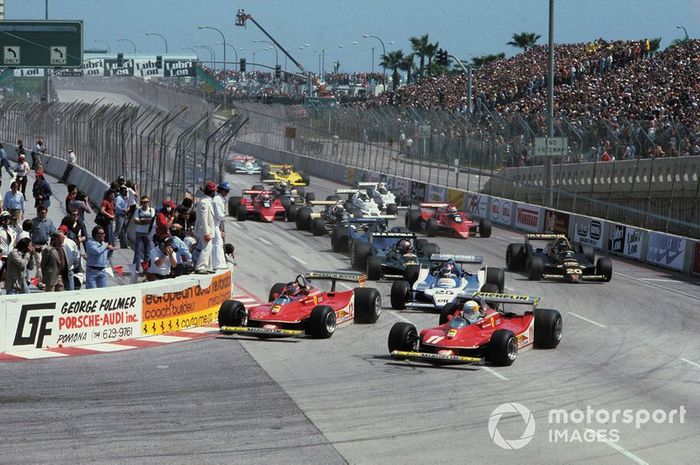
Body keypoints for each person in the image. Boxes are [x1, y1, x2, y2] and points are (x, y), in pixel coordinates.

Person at [132, 195, 155, 281]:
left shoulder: (151, 210)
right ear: (141, 203)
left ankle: (146, 269)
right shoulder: (138, 210)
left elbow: (151, 220)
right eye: (143, 202)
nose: (145, 204)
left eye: (146, 202)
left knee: (147, 253)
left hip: (148, 233)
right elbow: (135, 220)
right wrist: (146, 221)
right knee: (137, 252)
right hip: (139, 233)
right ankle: (136, 270)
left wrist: (141, 220)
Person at [194, 181, 216, 273]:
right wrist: (206, 233)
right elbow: (203, 220)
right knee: (206, 248)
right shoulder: (204, 202)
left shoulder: (207, 201)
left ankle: (208, 267)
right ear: (212, 192)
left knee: (209, 248)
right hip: (204, 230)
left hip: (207, 230)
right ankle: (200, 267)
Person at [212, 182, 230, 270]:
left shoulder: (220, 199)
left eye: (228, 191)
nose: (227, 193)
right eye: (225, 191)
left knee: (219, 243)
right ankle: (217, 263)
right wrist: (224, 216)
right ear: (221, 190)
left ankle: (220, 262)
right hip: (214, 224)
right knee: (217, 243)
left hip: (217, 224)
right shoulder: (217, 199)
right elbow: (219, 215)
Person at [58, 224, 81, 291]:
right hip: (70, 267)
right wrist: (75, 264)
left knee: (61, 285)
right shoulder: (72, 242)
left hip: (60, 269)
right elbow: (77, 255)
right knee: (71, 285)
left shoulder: (57, 242)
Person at [98, 190, 116, 257]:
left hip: (111, 222)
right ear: (108, 195)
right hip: (107, 222)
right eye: (112, 195)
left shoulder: (111, 202)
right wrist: (109, 215)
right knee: (108, 237)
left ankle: (109, 251)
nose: (113, 196)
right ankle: (107, 252)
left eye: (114, 195)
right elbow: (102, 210)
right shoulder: (105, 201)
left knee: (110, 236)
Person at [0, 211, 17, 281]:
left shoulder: (12, 230)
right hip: (2, 256)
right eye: (5, 218)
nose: (7, 220)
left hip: (10, 256)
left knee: (11, 276)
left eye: (8, 218)